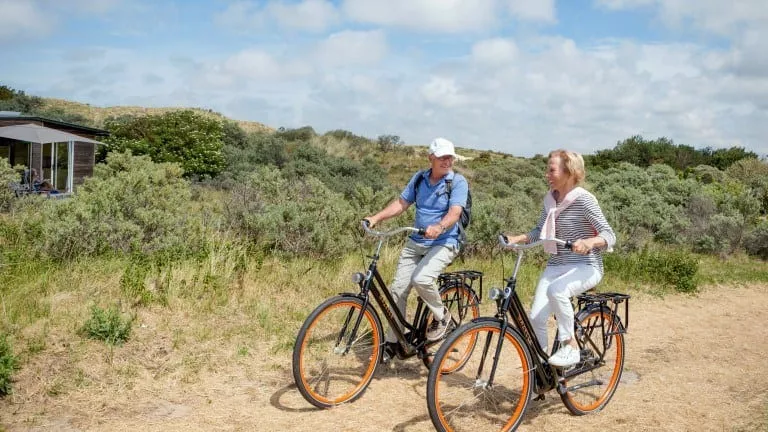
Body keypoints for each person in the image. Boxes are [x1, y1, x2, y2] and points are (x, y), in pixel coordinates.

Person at [504, 149, 615, 368]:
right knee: (535, 318)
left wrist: (590, 242)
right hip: (556, 264)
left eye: (551, 170)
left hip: (586, 265)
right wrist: (517, 238)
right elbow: (540, 231)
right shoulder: (550, 200)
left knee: (557, 291)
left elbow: (609, 234)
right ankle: (542, 370)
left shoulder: (585, 200)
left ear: (570, 172)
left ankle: (571, 346)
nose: (547, 174)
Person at [364, 137, 469, 356]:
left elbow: (455, 213)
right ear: (431, 157)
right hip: (417, 241)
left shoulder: (457, 182)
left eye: (450, 157)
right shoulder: (420, 178)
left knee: (421, 279)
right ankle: (395, 342)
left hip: (444, 242)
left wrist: (439, 227)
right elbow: (401, 203)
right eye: (442, 157)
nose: (447, 161)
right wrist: (376, 218)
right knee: (397, 290)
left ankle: (443, 318)